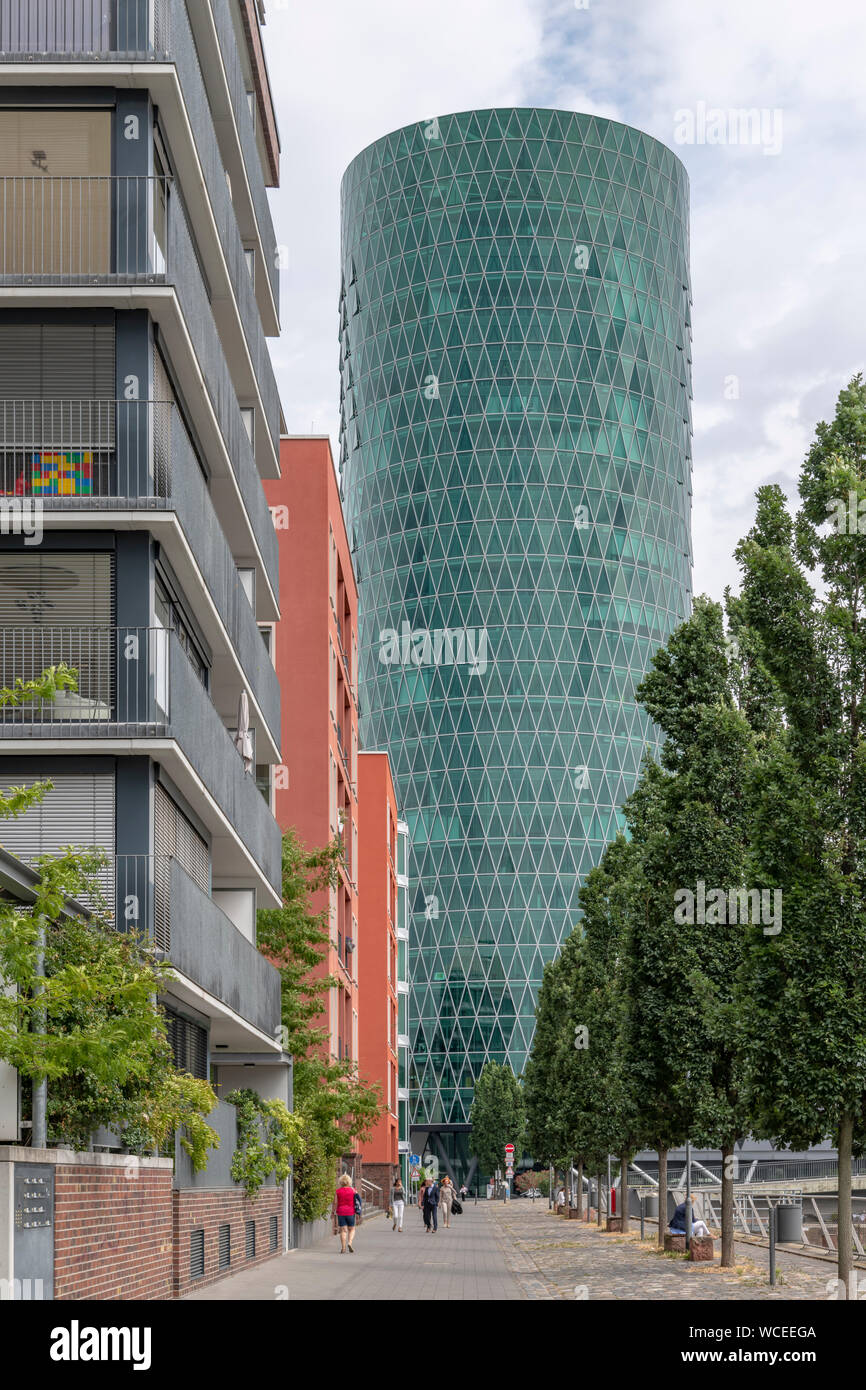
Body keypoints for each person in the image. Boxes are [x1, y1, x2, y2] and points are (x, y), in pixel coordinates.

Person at [333, 1173, 359, 1253]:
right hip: (350, 1212)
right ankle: (350, 1243)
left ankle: (343, 1248)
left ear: (341, 1182)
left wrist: (333, 1212)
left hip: (341, 1212)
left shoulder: (337, 1191)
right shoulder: (353, 1191)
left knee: (343, 1230)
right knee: (352, 1229)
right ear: (349, 1181)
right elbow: (357, 1202)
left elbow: (335, 1203)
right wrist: (358, 1212)